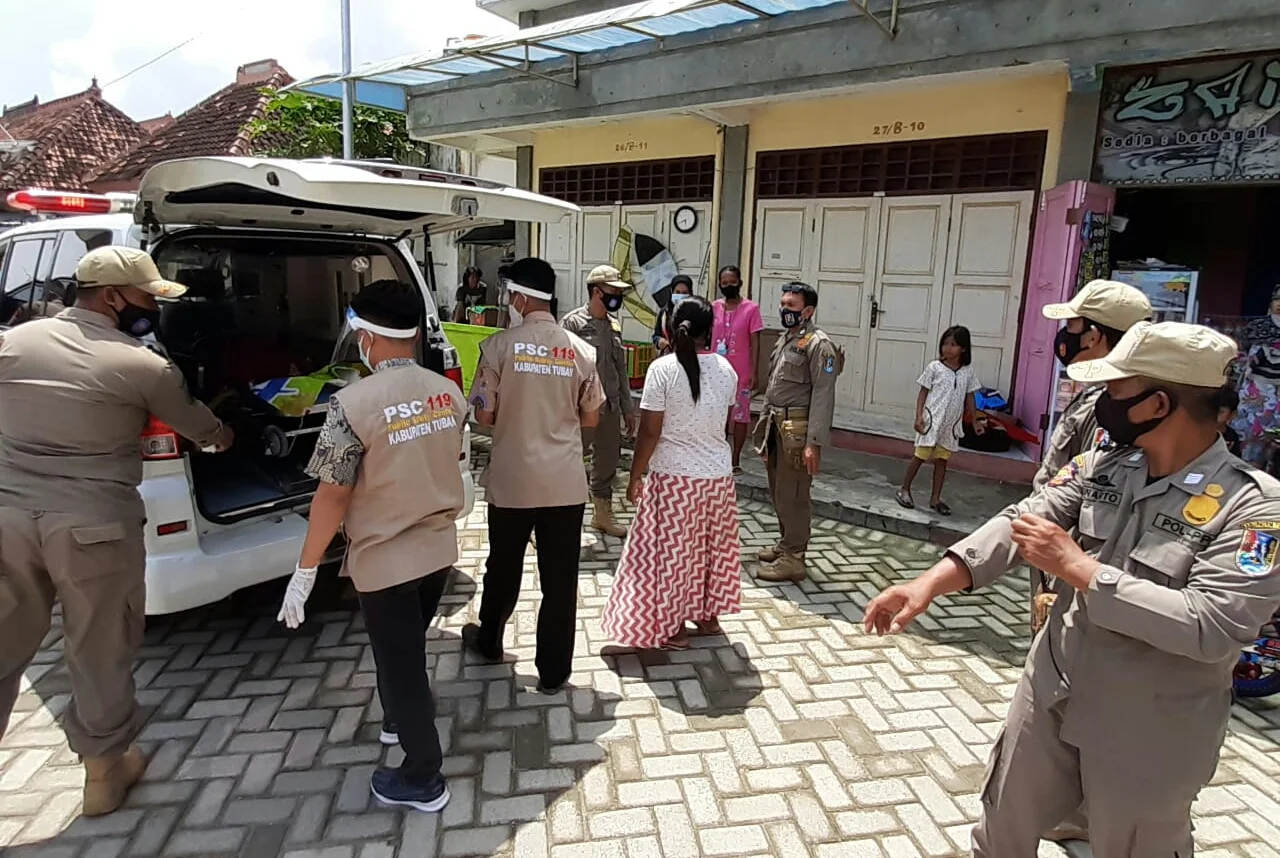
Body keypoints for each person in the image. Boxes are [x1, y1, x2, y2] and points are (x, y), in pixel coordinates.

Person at [864, 320, 1280, 858]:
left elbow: (1213, 627)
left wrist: (1082, 570)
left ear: (1156, 404)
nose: (1101, 401)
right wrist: (929, 583)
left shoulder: (1254, 508)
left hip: (1150, 726)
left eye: (1114, 390)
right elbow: (1023, 520)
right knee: (1001, 829)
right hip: (1053, 688)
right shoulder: (1105, 466)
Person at [0, 246, 234, 816]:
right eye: (148, 297)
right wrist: (229, 430)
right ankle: (104, 773)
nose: (153, 308)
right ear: (112, 297)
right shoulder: (141, 365)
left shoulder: (11, 343)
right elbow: (203, 431)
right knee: (98, 646)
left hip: (7, 519)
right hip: (94, 527)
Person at [276, 279, 463, 813]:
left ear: (368, 337)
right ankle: (397, 719)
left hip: (384, 561)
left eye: (357, 333)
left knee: (402, 664)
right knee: (404, 650)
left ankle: (424, 776)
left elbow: (331, 496)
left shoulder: (350, 404)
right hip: (437, 553)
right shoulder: (446, 392)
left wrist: (305, 570)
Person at [1022, 277, 1152, 845]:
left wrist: (1056, 577)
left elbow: (1098, 506)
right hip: (1058, 553)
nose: (1065, 337)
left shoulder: (1119, 412)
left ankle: (1086, 810)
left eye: (1072, 327)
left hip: (1078, 567)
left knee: (1078, 689)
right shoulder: (1099, 397)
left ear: (1096, 335)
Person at [461, 258, 605, 694]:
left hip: (513, 479)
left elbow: (484, 414)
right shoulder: (582, 351)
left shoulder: (498, 347)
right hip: (564, 482)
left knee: (502, 567)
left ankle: (490, 642)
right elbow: (591, 418)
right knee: (559, 579)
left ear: (519, 297)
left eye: (509, 295)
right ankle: (554, 671)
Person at [602, 295, 742, 650]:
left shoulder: (662, 369)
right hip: (717, 476)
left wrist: (635, 475)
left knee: (672, 552)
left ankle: (673, 625)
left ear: (669, 327)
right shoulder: (727, 370)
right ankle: (708, 616)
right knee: (710, 547)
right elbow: (722, 423)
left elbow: (650, 432)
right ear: (709, 331)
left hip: (674, 477)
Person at [751, 281, 840, 583]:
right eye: (783, 304)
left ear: (809, 310)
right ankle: (786, 543)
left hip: (798, 432)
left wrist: (814, 443)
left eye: (791, 305)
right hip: (776, 428)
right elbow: (773, 387)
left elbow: (824, 395)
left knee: (795, 493)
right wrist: (762, 430)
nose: (784, 310)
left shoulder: (819, 345)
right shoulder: (786, 340)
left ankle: (795, 557)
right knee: (779, 490)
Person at [562, 264, 638, 538]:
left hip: (610, 408)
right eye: (613, 291)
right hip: (581, 410)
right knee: (566, 462)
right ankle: (548, 519)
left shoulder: (613, 325)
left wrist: (628, 408)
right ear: (597, 292)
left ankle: (602, 515)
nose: (618, 297)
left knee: (607, 462)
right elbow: (563, 369)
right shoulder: (572, 324)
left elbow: (621, 370)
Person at [896, 325, 983, 516]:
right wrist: (918, 416)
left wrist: (975, 421)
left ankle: (935, 498)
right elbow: (923, 393)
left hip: (950, 425)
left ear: (963, 349)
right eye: (945, 344)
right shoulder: (934, 367)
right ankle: (904, 489)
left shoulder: (967, 372)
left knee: (942, 460)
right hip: (931, 422)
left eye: (953, 345)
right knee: (920, 456)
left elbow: (970, 397)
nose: (947, 348)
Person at [713, 265, 764, 473]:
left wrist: (754, 372)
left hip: (740, 373)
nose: (729, 286)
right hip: (715, 372)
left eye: (732, 282)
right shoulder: (713, 307)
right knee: (718, 416)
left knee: (740, 417)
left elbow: (756, 341)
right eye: (724, 283)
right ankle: (719, 457)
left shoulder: (751, 309)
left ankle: (735, 460)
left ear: (740, 282)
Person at [1232, 285, 1280, 465]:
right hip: (1257, 386)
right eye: (1277, 300)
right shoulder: (1257, 327)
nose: (1279, 305)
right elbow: (1243, 351)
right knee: (1251, 429)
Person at [653, 275, 694, 356]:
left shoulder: (695, 313)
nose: (680, 296)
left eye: (684, 293)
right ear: (672, 292)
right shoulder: (665, 313)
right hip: (667, 359)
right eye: (677, 292)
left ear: (690, 294)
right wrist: (659, 341)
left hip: (689, 359)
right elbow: (656, 336)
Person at [1218, 386, 1242, 457]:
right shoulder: (1200, 430)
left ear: (1232, 414)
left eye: (1220, 412)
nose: (1214, 415)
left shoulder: (1232, 437)